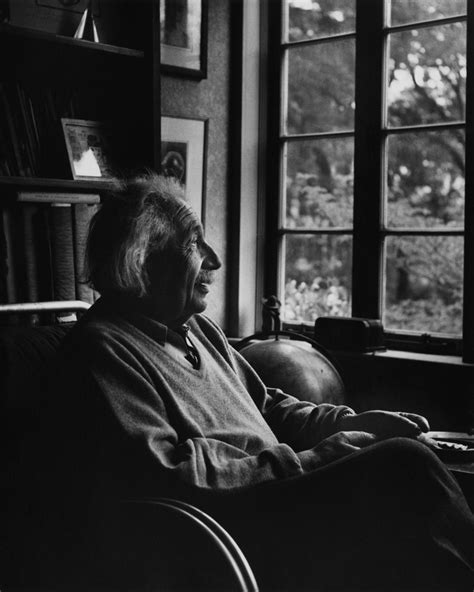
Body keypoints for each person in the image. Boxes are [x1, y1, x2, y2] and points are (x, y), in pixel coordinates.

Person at [42, 172, 474, 591]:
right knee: (403, 466)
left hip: (284, 500)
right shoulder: (102, 349)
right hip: (233, 533)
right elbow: (167, 475)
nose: (214, 259)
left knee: (410, 473)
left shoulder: (200, 331)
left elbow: (267, 408)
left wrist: (345, 424)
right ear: (140, 261)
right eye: (194, 243)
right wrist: (318, 458)